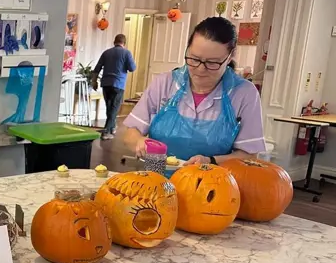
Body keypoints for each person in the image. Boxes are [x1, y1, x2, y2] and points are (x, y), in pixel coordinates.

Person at [123, 17, 266, 165]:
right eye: (194, 59)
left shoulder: (244, 93)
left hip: (215, 178)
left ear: (230, 57)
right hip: (156, 176)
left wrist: (210, 161)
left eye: (212, 63)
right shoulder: (164, 83)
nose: (200, 69)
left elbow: (249, 155)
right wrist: (139, 141)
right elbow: (130, 133)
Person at [91, 34, 137, 140]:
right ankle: (107, 131)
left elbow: (97, 68)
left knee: (109, 107)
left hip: (106, 83)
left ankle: (111, 128)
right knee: (114, 108)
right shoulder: (126, 53)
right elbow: (132, 68)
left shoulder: (106, 53)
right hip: (118, 84)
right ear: (124, 43)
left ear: (114, 42)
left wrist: (94, 81)